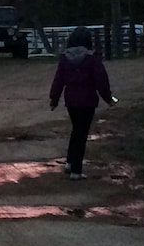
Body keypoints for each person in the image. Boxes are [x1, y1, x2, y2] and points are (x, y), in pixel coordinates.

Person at [49, 26, 117, 180]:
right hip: (87, 101)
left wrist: (54, 99)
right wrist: (109, 99)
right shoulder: (92, 58)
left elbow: (58, 80)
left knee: (76, 130)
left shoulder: (65, 58)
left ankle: (70, 162)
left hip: (71, 100)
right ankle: (76, 170)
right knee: (81, 134)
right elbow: (101, 81)